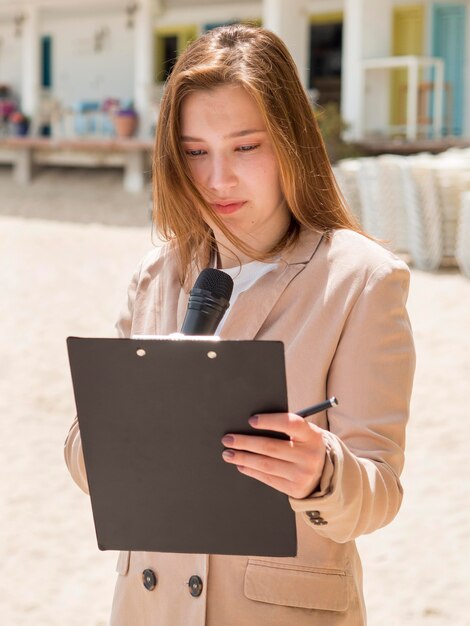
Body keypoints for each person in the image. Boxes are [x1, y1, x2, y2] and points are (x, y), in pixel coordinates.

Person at [65, 24, 415, 626]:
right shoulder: (156, 273)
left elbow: (378, 494)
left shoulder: (362, 280)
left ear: (292, 143)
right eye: (195, 151)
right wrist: (112, 430)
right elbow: (83, 459)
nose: (216, 179)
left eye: (245, 147)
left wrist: (321, 473)